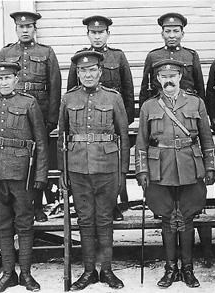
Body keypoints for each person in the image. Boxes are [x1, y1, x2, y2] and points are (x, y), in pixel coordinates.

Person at [135, 59, 215, 288]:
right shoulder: (149, 107)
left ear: (180, 77)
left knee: (187, 216)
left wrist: (210, 166)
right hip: (160, 168)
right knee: (168, 217)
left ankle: (188, 269)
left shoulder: (196, 102)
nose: (169, 81)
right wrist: (141, 170)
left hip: (190, 164)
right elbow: (141, 141)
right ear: (158, 80)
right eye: (163, 77)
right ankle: (170, 269)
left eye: (173, 76)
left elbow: (206, 138)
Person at [57, 51, 129, 291]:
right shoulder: (68, 99)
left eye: (92, 70)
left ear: (100, 72)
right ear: (77, 74)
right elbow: (62, 137)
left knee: (105, 219)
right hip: (77, 168)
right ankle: (89, 271)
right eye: (83, 71)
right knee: (85, 220)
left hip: (107, 167)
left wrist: (123, 171)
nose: (88, 75)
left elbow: (124, 137)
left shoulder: (113, 98)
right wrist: (63, 171)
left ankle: (107, 270)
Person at [0, 61, 49, 292]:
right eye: (0, 79)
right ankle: (8, 274)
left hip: (22, 174)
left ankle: (26, 274)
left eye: (8, 78)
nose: (4, 82)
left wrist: (40, 174)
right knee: (2, 225)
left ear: (16, 80)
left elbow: (40, 142)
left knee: (25, 224)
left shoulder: (28, 103)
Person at [67, 15, 135, 221]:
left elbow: (128, 90)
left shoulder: (118, 57)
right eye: (93, 33)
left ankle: (113, 205)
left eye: (101, 32)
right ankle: (85, 206)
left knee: (110, 166)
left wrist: (125, 120)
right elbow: (72, 89)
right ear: (88, 34)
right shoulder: (79, 58)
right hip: (86, 122)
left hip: (111, 120)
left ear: (108, 34)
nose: (97, 36)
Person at [0, 11, 62, 222]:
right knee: (20, 160)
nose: (25, 30)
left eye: (29, 27)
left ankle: (38, 206)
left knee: (39, 161)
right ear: (16, 29)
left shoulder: (46, 52)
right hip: (15, 118)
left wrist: (52, 119)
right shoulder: (7, 52)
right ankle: (21, 205)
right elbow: (0, 84)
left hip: (40, 116)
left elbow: (55, 86)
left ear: (35, 29)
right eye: (21, 27)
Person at [139, 12, 205, 107]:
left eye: (176, 31)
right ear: (162, 34)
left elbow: (200, 86)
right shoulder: (153, 56)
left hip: (187, 105)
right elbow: (145, 87)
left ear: (182, 34)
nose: (172, 35)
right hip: (160, 106)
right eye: (168, 31)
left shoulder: (191, 55)